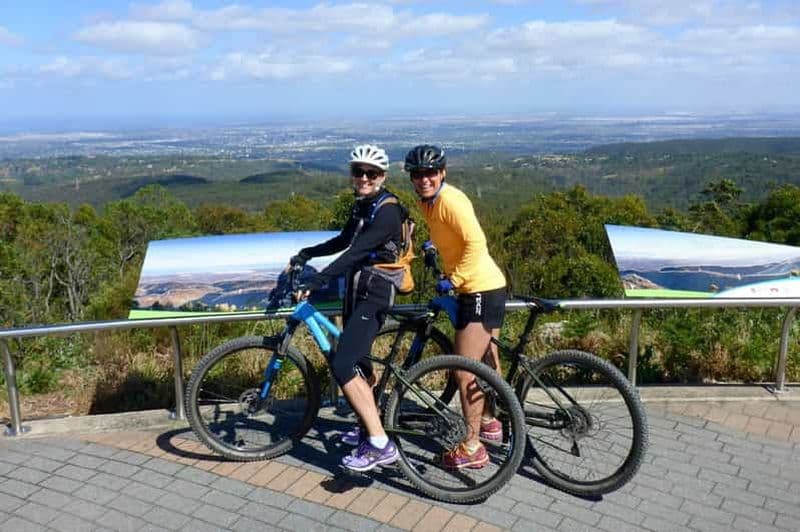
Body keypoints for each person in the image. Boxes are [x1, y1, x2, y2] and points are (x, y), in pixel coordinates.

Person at [290, 144, 404, 472]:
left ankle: (381, 444)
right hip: (358, 289)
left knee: (343, 365)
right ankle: (366, 427)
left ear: (382, 176)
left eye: (372, 173)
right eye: (359, 172)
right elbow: (344, 241)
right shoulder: (362, 206)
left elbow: (356, 253)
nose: (364, 178)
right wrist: (307, 253)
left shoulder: (387, 210)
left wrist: (317, 281)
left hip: (376, 292)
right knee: (361, 363)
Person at [405, 144, 507, 469]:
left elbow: (477, 242)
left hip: (477, 288)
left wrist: (456, 278)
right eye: (418, 174)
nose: (424, 179)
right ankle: (491, 422)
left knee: (465, 371)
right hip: (483, 286)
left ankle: (473, 446)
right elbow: (453, 237)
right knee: (487, 363)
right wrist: (434, 245)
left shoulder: (449, 200)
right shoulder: (428, 203)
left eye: (430, 173)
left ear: (442, 172)